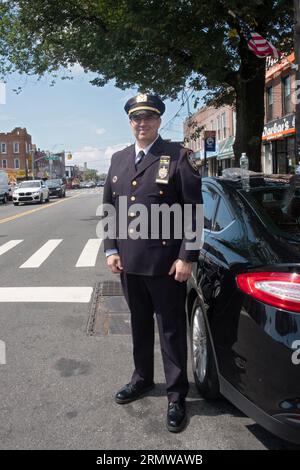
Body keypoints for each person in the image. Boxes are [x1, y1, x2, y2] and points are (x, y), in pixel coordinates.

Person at [103, 93, 203, 433]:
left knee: (172, 331)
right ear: (130, 122)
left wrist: (187, 257)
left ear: (159, 120)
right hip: (129, 264)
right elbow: (110, 210)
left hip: (166, 266)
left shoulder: (177, 156)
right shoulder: (117, 160)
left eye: (148, 117)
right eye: (135, 117)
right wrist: (110, 249)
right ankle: (142, 379)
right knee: (139, 325)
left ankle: (176, 396)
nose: (141, 123)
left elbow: (193, 212)